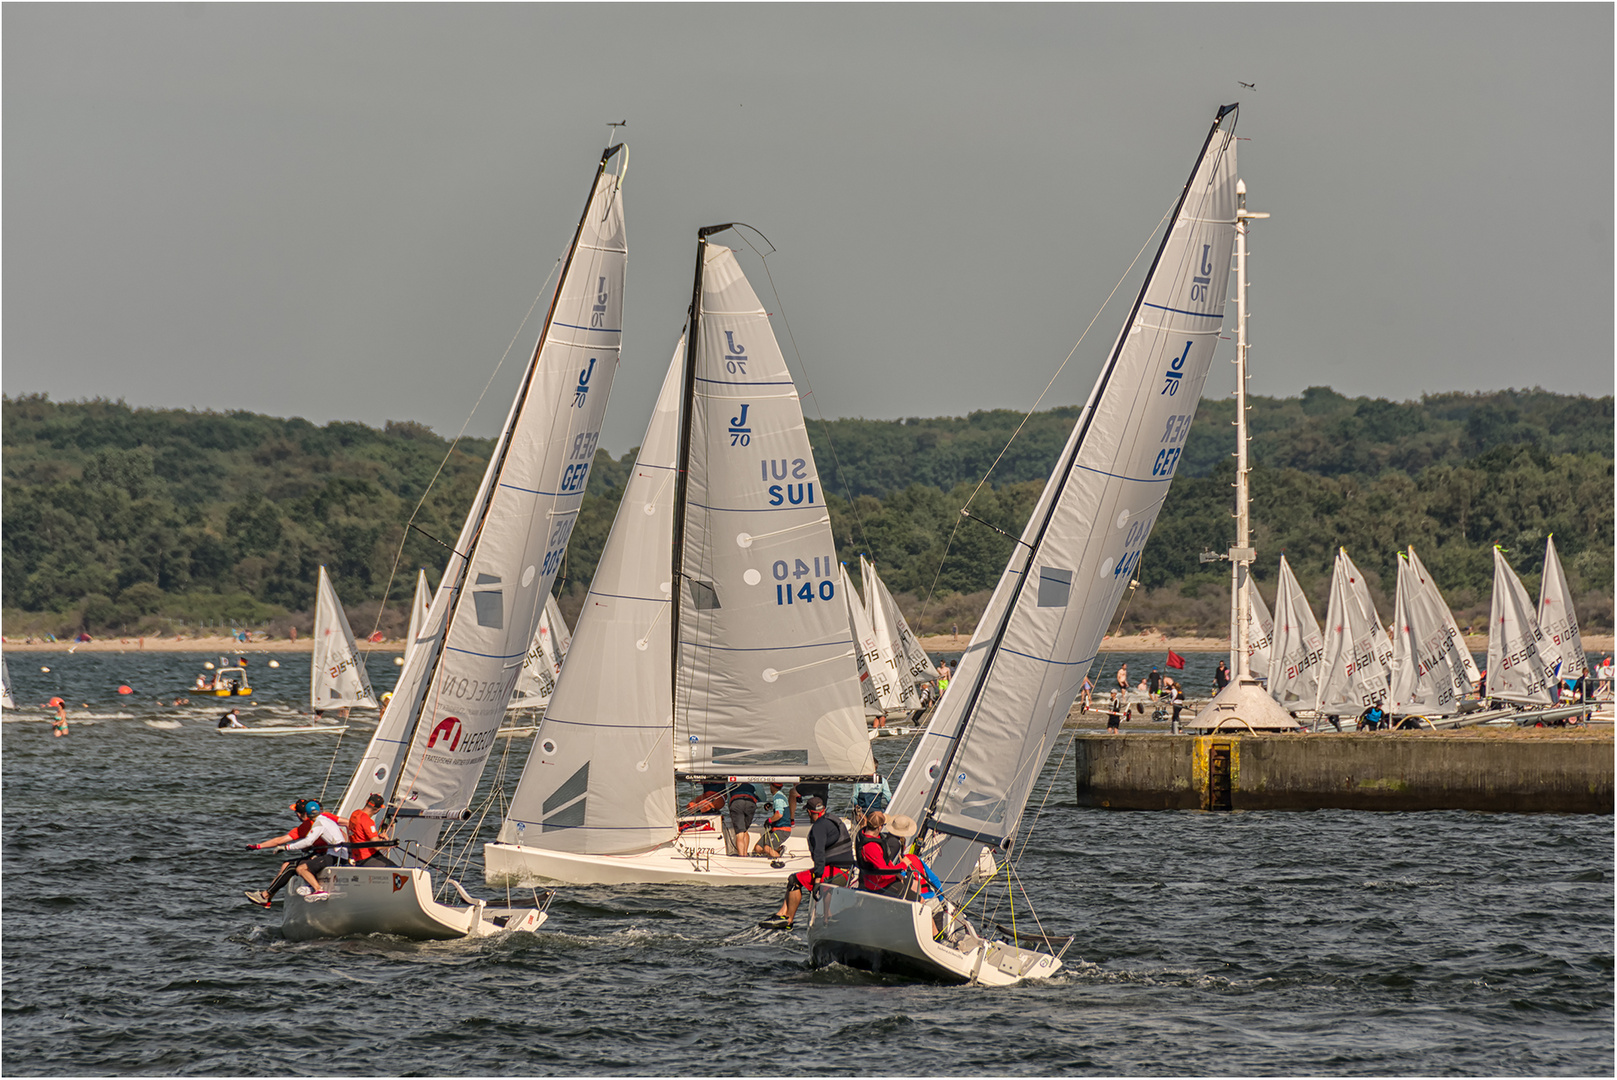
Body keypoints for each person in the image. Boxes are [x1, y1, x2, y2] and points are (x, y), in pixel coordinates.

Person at [759, 797, 853, 930]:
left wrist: (817, 881)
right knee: (818, 883)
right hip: (847, 872)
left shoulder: (819, 827)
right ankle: (824, 919)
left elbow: (819, 854)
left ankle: (788, 919)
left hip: (836, 872)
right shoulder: (833, 819)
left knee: (794, 879)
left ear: (810, 812)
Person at [243, 799, 347, 906]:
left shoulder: (318, 823)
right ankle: (267, 897)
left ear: (302, 814)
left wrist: (285, 848)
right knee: (287, 865)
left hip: (332, 854)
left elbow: (307, 841)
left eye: (296, 813)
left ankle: (267, 896)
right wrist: (258, 846)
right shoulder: (322, 818)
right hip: (331, 853)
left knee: (298, 867)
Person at [854, 811, 910, 897]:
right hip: (878, 885)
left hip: (876, 880)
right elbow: (884, 873)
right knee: (918, 898)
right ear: (880, 827)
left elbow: (886, 861)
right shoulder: (871, 846)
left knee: (909, 882)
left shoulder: (864, 836)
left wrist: (896, 873)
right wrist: (903, 865)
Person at [347, 793, 394, 867]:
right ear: (378, 809)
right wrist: (389, 843)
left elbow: (360, 834)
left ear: (366, 801)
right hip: (367, 857)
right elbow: (377, 846)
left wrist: (377, 837)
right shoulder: (368, 821)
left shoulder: (355, 813)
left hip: (357, 856)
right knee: (397, 869)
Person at [755, 783, 793, 860]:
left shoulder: (778, 797)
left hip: (782, 830)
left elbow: (779, 815)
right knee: (758, 848)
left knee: (767, 848)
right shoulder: (778, 796)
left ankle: (779, 862)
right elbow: (780, 808)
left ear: (771, 786)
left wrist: (769, 820)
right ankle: (778, 850)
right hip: (775, 829)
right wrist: (771, 806)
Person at [728, 782, 760, 857]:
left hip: (736, 803)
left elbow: (729, 800)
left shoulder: (732, 785)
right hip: (750, 803)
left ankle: (741, 856)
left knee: (740, 833)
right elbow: (763, 798)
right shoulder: (755, 783)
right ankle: (745, 854)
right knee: (745, 830)